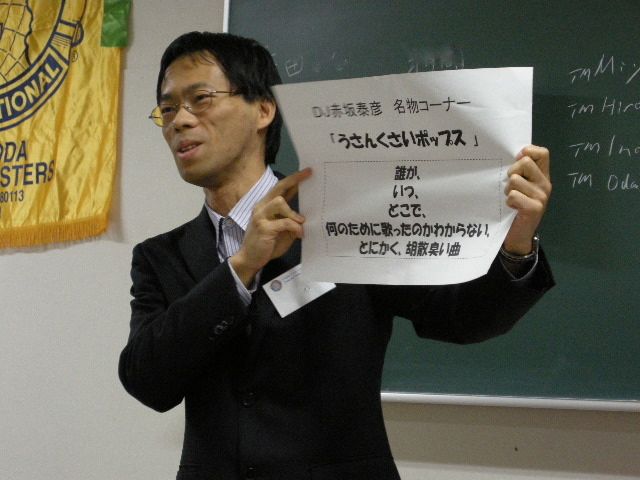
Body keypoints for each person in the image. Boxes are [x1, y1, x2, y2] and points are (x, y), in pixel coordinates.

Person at [118, 31, 554, 480]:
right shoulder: (160, 257)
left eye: (201, 99)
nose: (179, 121)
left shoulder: (349, 216)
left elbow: (462, 318)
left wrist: (517, 244)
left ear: (263, 109)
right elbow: (147, 381)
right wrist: (241, 267)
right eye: (167, 109)